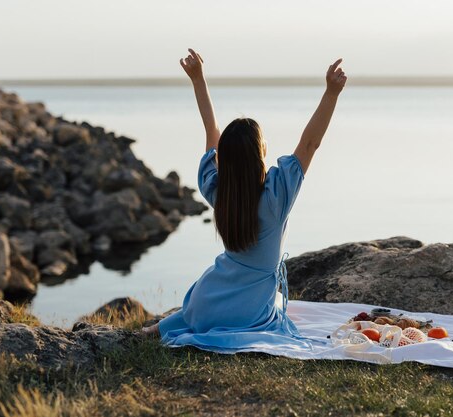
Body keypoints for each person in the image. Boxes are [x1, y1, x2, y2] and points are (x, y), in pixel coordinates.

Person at [141, 48, 346, 351]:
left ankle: (151, 332)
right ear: (261, 155)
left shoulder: (218, 190)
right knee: (269, 317)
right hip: (248, 314)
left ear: (225, 159)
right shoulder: (277, 196)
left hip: (206, 301)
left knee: (187, 318)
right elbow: (310, 144)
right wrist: (331, 93)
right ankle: (158, 331)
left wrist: (198, 79)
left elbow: (211, 132)